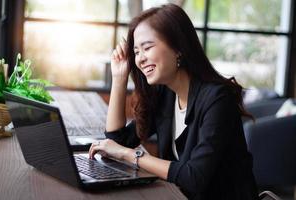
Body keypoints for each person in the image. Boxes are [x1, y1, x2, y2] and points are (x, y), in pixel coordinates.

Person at [89, 3, 258, 200]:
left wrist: (129, 155)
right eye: (136, 52)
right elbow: (116, 141)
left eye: (147, 47)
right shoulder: (165, 94)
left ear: (178, 47)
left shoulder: (218, 99)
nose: (140, 59)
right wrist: (119, 78)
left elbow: (194, 177)